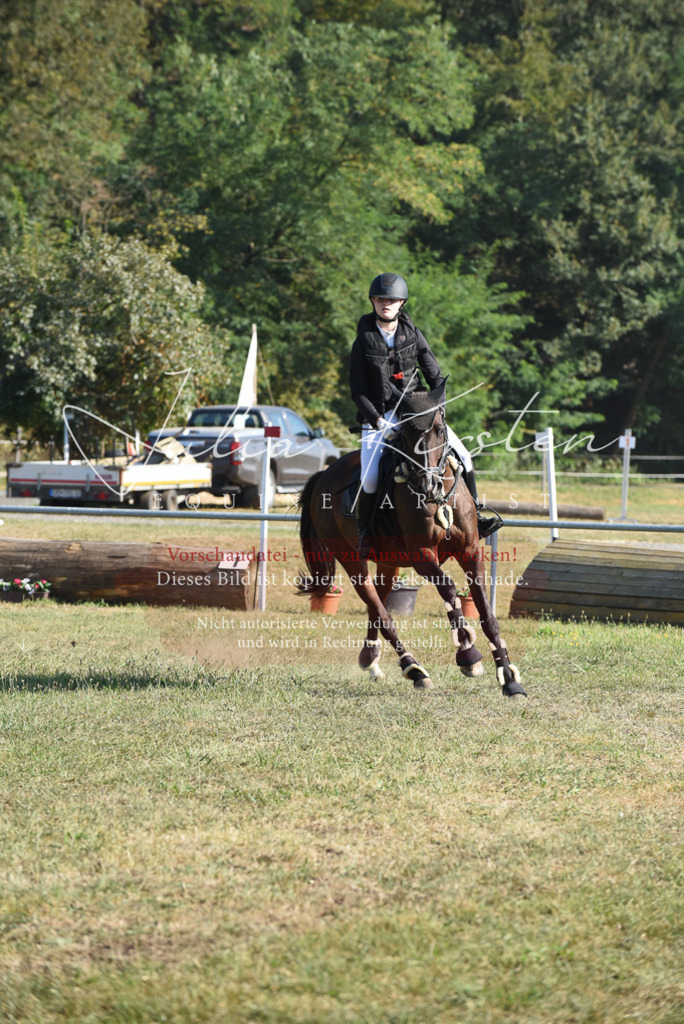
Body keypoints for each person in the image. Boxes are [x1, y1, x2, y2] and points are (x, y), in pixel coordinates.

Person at [349, 271, 500, 556]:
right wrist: (378, 421)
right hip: (381, 414)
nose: (386, 303)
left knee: (465, 457)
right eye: (381, 298)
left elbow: (434, 374)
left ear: (401, 303)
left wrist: (435, 408)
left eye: (392, 299)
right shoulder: (363, 341)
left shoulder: (413, 333)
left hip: (419, 408)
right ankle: (366, 533)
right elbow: (357, 392)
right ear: (372, 300)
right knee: (369, 477)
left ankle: (477, 516)